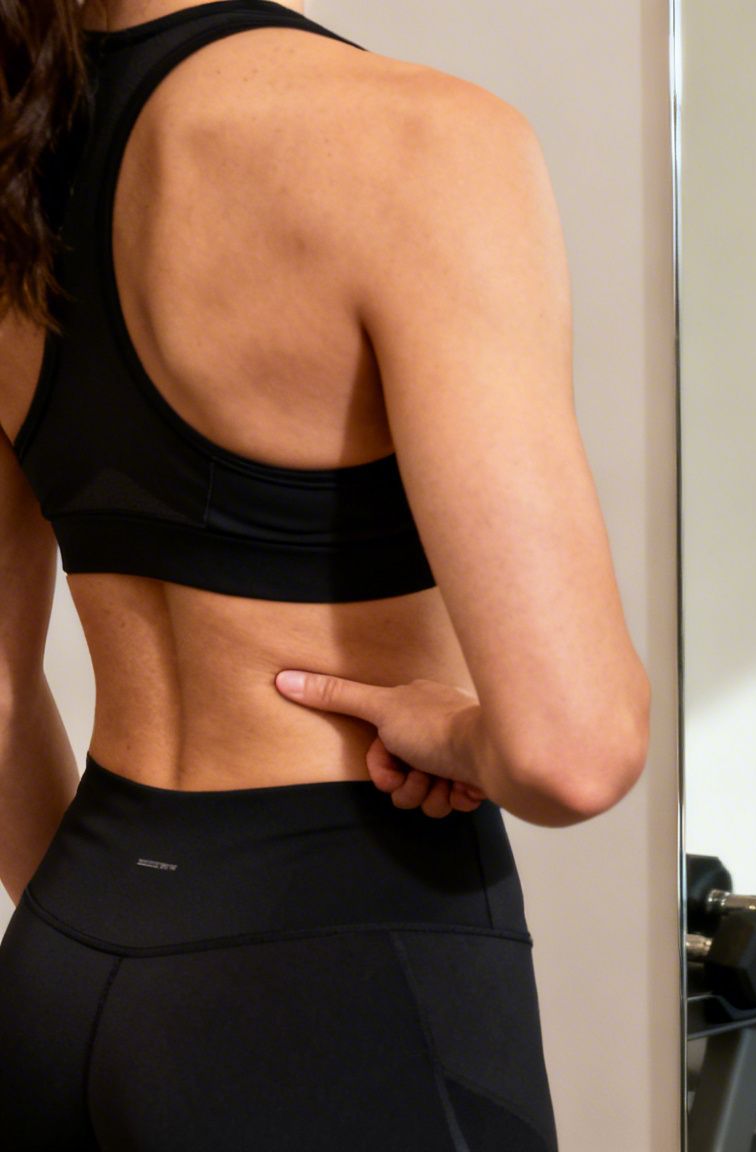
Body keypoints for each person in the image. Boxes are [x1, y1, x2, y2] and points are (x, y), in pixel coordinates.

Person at [0, 0, 649, 1146]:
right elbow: (573, 751)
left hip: (60, 968)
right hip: (338, 968)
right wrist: (454, 735)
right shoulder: (418, 140)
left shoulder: (17, 159)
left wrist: (130, 935)